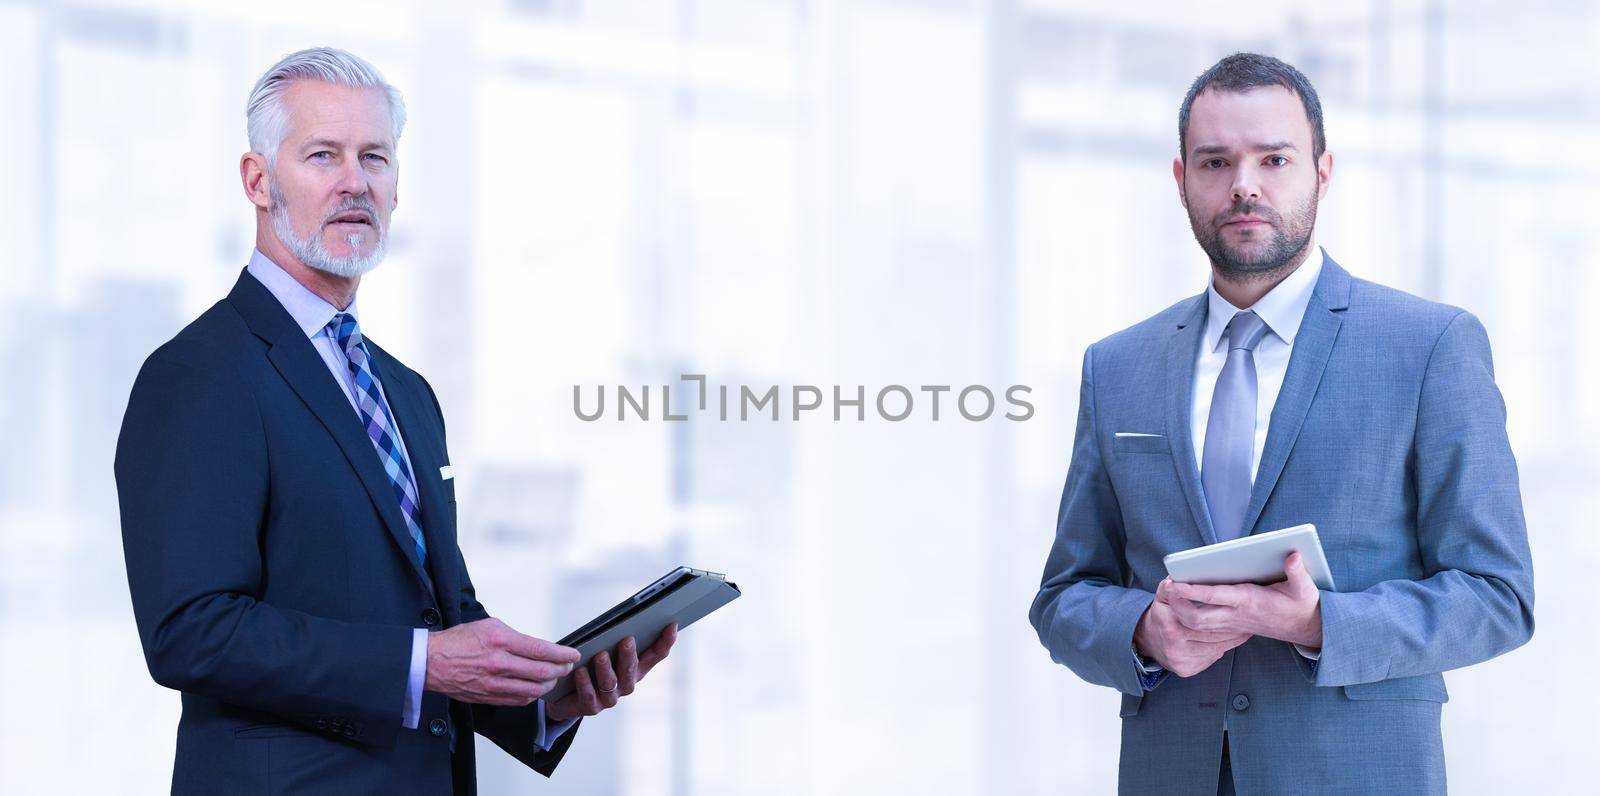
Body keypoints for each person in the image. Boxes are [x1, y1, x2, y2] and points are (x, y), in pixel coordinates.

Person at [114, 47, 675, 794]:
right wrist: (422, 661)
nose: (355, 181)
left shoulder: (405, 390)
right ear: (257, 180)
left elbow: (443, 618)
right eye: (323, 155)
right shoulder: (201, 374)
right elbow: (191, 631)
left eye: (375, 157)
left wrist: (546, 700)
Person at [1027, 52, 1534, 795]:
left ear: (1322, 172)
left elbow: (1499, 596)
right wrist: (1141, 631)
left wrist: (1319, 624)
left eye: (1274, 158)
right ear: (1181, 182)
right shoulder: (1118, 367)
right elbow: (1065, 596)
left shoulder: (1429, 346)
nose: (1244, 186)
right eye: (1215, 162)